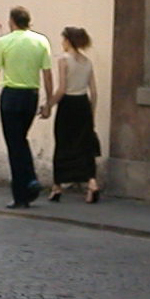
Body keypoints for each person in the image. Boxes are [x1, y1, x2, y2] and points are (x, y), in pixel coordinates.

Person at [0, 6, 53, 209]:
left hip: (11, 96)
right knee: (20, 139)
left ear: (12, 21)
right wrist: (48, 102)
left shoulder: (3, 42)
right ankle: (28, 185)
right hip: (31, 95)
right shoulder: (41, 41)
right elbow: (47, 74)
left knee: (15, 144)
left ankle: (23, 191)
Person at [47, 26, 101, 204]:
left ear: (68, 40)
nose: (62, 43)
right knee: (84, 146)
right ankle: (91, 183)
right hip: (83, 104)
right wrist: (91, 113)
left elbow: (61, 89)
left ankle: (57, 186)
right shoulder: (87, 62)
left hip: (68, 105)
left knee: (62, 143)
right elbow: (94, 91)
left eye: (63, 39)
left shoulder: (63, 60)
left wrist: (49, 105)